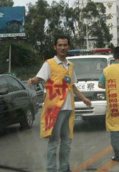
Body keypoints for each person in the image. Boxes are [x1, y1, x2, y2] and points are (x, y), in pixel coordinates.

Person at [28, 36, 91, 172]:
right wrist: (33, 80)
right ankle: (51, 169)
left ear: (68, 47)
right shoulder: (49, 64)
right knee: (54, 142)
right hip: (55, 109)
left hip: (69, 109)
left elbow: (72, 86)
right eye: (60, 45)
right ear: (55, 47)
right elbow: (40, 77)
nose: (62, 48)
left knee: (67, 142)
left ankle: (64, 168)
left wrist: (84, 98)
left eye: (65, 45)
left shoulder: (70, 65)